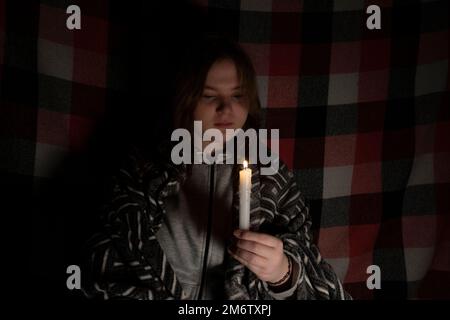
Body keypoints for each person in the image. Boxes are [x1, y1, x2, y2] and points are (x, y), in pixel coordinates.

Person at [82, 34, 351, 300]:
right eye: (210, 96)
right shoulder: (146, 168)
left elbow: (307, 263)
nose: (226, 108)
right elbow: (109, 250)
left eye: (238, 96)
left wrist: (282, 272)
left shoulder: (270, 174)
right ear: (185, 99)